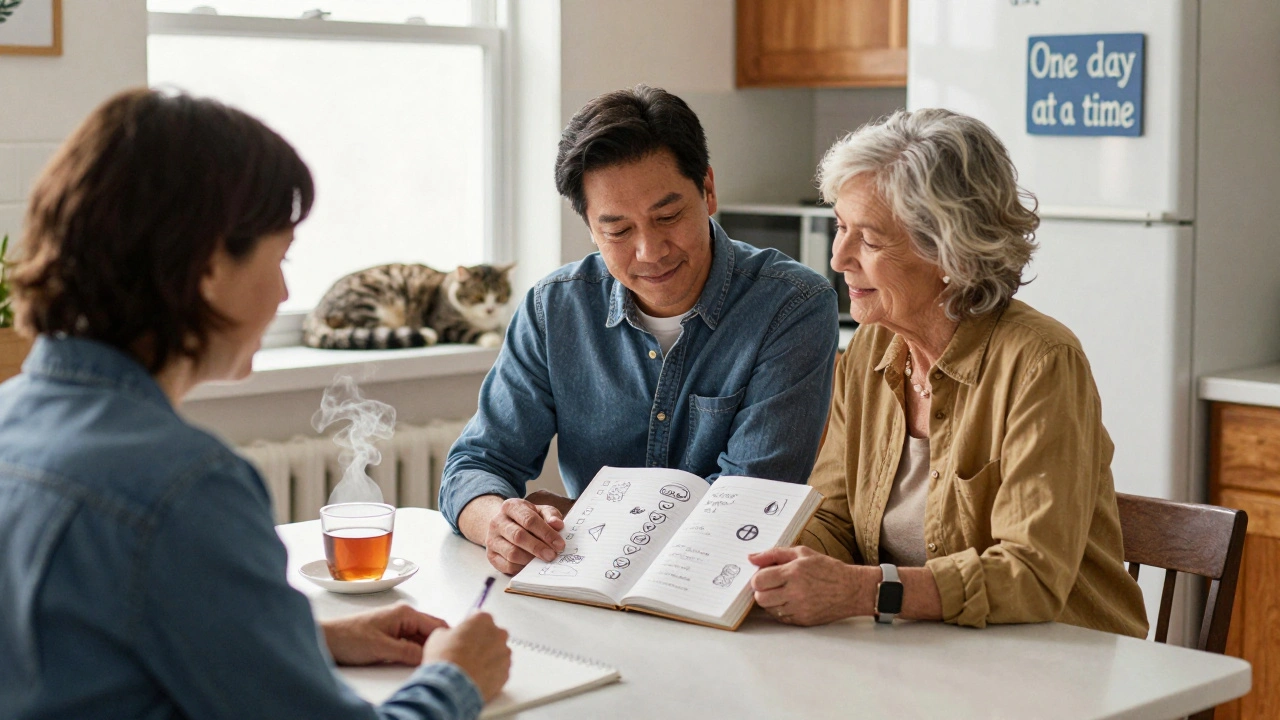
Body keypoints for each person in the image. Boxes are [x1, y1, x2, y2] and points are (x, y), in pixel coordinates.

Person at [0, 89, 511, 720]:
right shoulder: (184, 488)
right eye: (281, 257)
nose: (285, 292)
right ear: (207, 266)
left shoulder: (11, 420)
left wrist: (307, 641)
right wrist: (456, 679)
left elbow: (83, 650)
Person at [748, 109, 1149, 638]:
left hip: (1062, 665)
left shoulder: (1041, 363)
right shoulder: (870, 348)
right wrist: (774, 565)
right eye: (840, 227)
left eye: (867, 238)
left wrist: (862, 590)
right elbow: (835, 518)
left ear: (949, 251)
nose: (839, 256)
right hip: (929, 657)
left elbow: (1030, 574)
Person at [440, 85, 839, 574]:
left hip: (713, 589)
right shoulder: (555, 308)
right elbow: (475, 465)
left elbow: (743, 506)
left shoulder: (792, 306)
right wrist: (497, 522)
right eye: (619, 231)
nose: (650, 251)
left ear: (708, 190)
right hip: (587, 587)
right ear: (589, 226)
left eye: (668, 216)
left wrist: (577, 516)